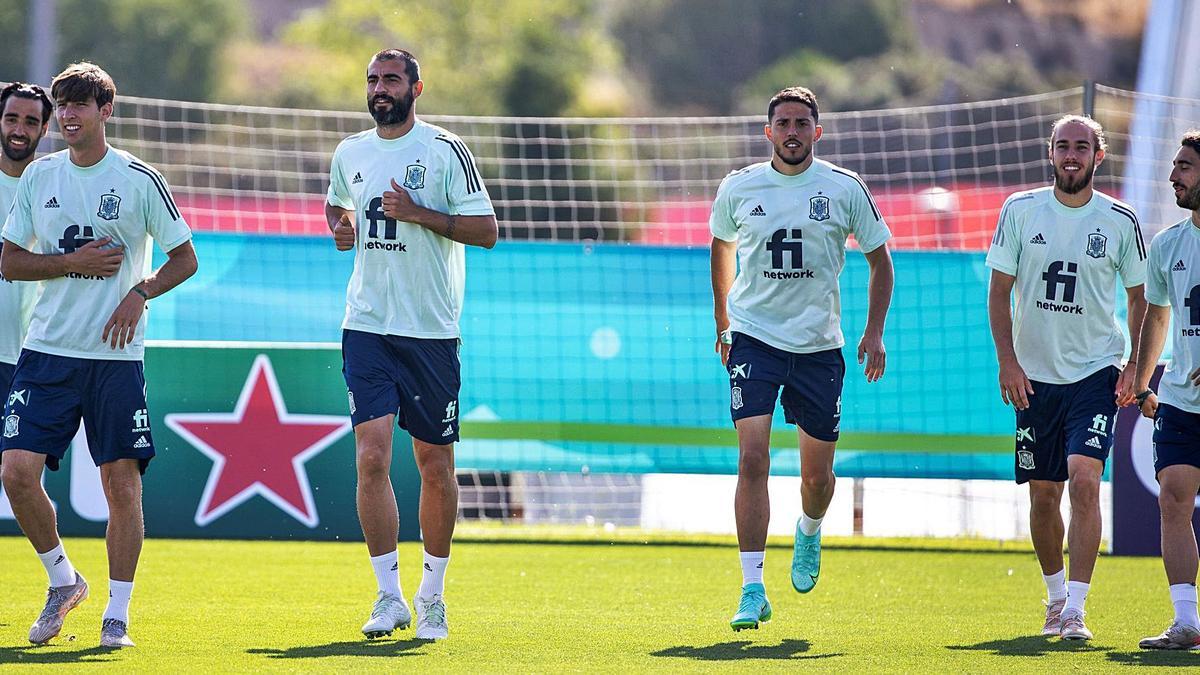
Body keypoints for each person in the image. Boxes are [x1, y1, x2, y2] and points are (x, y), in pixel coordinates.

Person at [0, 62, 198, 648]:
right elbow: (9, 261)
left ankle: (117, 613)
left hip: (115, 360)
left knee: (121, 485)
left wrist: (140, 292)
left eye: (79, 104)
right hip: (47, 353)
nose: (67, 115)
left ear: (105, 112)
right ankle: (63, 579)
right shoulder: (40, 177)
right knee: (15, 471)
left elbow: (185, 258)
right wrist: (70, 263)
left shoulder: (138, 178)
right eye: (61, 104)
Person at [325, 48, 498, 641]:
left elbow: (488, 232)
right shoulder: (350, 152)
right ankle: (387, 595)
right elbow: (335, 203)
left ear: (416, 88)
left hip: (430, 332)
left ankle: (433, 593)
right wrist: (340, 226)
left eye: (391, 79)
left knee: (433, 465)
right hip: (367, 325)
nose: (379, 88)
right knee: (371, 456)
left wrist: (419, 213)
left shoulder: (445, 151)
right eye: (372, 79)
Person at [709, 86, 894, 631]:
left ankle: (809, 531)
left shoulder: (844, 188)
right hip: (754, 338)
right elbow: (720, 249)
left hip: (818, 346)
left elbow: (881, 262)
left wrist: (874, 332)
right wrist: (723, 323)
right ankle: (751, 587)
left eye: (801, 123)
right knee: (752, 459)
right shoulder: (739, 188)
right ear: (768, 133)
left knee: (817, 478)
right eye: (783, 123)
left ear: (819, 131)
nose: (792, 132)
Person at [986, 115, 1147, 641]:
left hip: (1094, 373)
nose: (1071, 155)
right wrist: (1008, 361)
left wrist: (1133, 368)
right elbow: (998, 291)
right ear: (1050, 153)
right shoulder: (1019, 209)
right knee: (1041, 496)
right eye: (1063, 146)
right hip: (1033, 379)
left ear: (1099, 156)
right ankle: (1054, 598)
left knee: (1084, 480)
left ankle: (1077, 609)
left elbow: (1140, 296)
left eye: (1082, 147)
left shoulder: (1120, 220)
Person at [1130, 130, 1200, 651]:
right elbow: (1156, 317)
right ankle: (1186, 622)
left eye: (1185, 167)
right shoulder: (1167, 244)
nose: (1173, 176)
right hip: (1179, 400)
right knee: (1174, 500)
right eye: (1175, 166)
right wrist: (1141, 380)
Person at [0, 82, 51, 393]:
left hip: (31, 358)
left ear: (45, 129)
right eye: (11, 119)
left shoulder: (56, 189)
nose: (19, 130)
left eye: (31, 122)